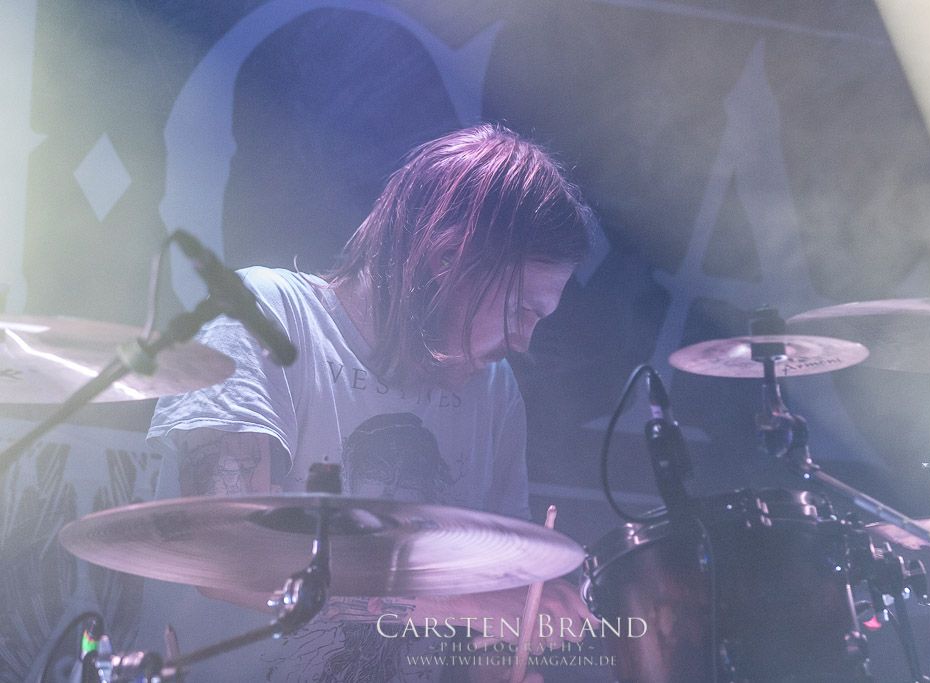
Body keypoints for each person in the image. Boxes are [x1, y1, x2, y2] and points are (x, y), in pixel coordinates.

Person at [147, 123, 596, 682]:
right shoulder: (264, 318)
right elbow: (224, 557)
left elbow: (497, 606)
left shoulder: (495, 390)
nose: (524, 340)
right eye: (519, 310)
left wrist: (505, 660)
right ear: (448, 260)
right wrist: (468, 606)